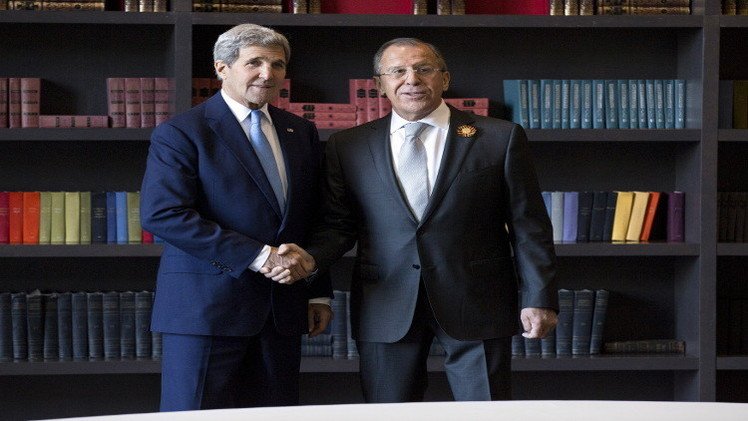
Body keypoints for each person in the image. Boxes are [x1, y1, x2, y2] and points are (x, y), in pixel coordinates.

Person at [264, 37, 558, 402]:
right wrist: (309, 259)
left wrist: (539, 296)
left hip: (477, 300)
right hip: (384, 302)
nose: (412, 79)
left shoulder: (499, 137)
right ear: (379, 84)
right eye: (397, 71)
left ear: (445, 78)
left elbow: (529, 226)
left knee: (486, 411)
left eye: (423, 69)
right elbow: (338, 226)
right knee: (389, 413)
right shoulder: (348, 145)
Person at [140, 23, 332, 411]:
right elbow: (163, 214)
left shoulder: (300, 131)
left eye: (277, 64)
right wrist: (260, 256)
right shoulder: (181, 132)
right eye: (255, 62)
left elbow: (310, 215)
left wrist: (316, 290)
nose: (268, 73)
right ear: (222, 68)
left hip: (282, 310)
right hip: (206, 312)